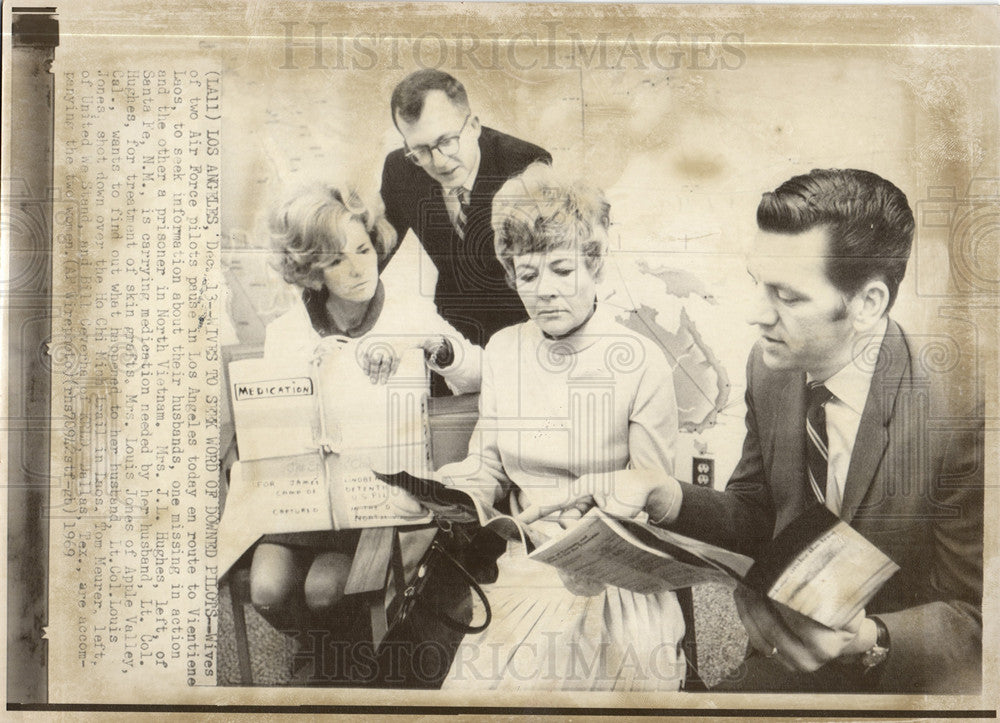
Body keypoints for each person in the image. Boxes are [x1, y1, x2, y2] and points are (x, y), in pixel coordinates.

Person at [596, 169, 983, 693]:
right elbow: (758, 512)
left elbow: (978, 622)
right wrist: (667, 497)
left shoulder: (963, 412)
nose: (757, 314)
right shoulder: (770, 367)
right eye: (759, 283)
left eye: (788, 296)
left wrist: (870, 639)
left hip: (899, 685)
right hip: (777, 665)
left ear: (868, 304)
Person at [398, 163, 686, 691]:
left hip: (617, 578)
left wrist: (587, 536)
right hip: (527, 568)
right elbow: (487, 466)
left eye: (561, 269)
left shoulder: (642, 360)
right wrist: (450, 491)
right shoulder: (506, 350)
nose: (543, 291)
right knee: (480, 697)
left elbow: (651, 503)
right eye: (527, 275)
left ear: (593, 265)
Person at [250, 183, 482, 637]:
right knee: (267, 589)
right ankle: (318, 647)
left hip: (380, 500)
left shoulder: (408, 311)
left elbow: (475, 377)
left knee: (325, 589)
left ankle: (344, 659)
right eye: (337, 260)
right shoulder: (286, 331)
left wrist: (431, 344)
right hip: (305, 503)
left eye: (363, 249)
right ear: (312, 273)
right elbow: (273, 434)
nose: (359, 269)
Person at [380, 69, 552, 349]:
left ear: (473, 125)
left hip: (531, 333)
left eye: (447, 141)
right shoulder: (400, 170)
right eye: (420, 150)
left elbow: (554, 275)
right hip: (455, 338)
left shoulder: (525, 166)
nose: (439, 162)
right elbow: (375, 247)